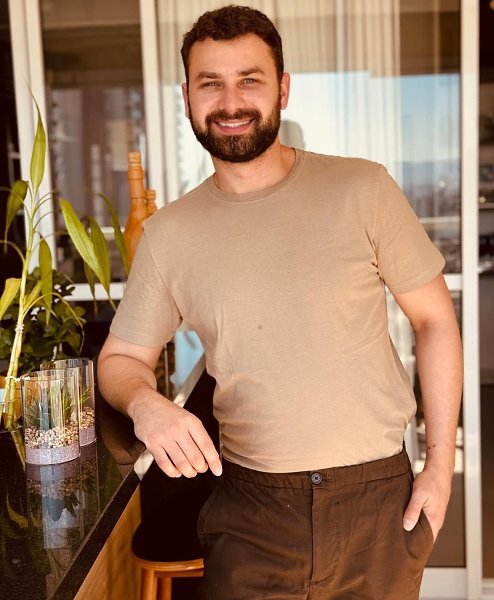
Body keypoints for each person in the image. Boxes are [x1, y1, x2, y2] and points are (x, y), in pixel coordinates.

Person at [98, 5, 463, 599]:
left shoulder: (363, 189)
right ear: (186, 98)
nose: (230, 101)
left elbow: (435, 320)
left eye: (250, 79)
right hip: (252, 511)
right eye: (210, 83)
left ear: (283, 90)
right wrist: (146, 405)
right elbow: (119, 360)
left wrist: (440, 469)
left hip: (377, 505)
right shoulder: (171, 234)